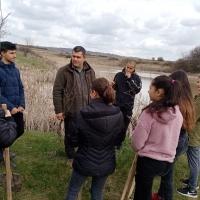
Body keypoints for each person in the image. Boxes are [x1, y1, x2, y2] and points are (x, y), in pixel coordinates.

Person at [65, 77, 125, 200]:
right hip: (106, 161)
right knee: (97, 193)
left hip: (84, 161)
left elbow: (72, 141)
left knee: (73, 191)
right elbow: (119, 139)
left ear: (94, 92)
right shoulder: (118, 114)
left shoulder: (82, 114)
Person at [131, 75, 184, 200]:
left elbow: (136, 143)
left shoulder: (149, 113)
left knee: (142, 195)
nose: (148, 91)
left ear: (159, 92)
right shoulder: (178, 113)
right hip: (167, 162)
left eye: (150, 88)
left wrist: (138, 147)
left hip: (149, 162)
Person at [152, 70, 195, 200]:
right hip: (182, 140)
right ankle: (161, 195)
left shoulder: (177, 102)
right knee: (167, 172)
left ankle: (164, 197)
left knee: (167, 175)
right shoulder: (188, 99)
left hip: (176, 141)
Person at [53, 46, 95, 162]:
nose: (75, 59)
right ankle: (71, 156)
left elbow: (94, 91)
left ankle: (82, 154)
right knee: (70, 134)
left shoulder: (90, 71)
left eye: (78, 57)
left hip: (87, 111)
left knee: (85, 134)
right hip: (71, 110)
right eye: (73, 56)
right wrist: (59, 110)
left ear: (84, 58)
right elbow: (57, 91)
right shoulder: (64, 71)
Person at [0, 41, 25, 168]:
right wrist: (10, 107)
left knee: (19, 129)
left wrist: (21, 104)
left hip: (17, 108)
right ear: (2, 53)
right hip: (3, 110)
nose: (14, 56)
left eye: (15, 53)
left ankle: (3, 149)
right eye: (11, 53)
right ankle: (3, 153)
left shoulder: (15, 70)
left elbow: (21, 88)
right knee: (4, 133)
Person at [176, 76, 200, 198]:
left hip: (194, 136)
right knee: (196, 159)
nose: (198, 84)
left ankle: (192, 190)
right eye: (198, 81)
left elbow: (192, 118)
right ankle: (193, 182)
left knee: (194, 161)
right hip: (196, 135)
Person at [111, 59, 142, 144]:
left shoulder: (136, 78)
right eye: (127, 67)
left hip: (128, 106)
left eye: (130, 68)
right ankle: (111, 141)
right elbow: (115, 89)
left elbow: (136, 90)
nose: (128, 69)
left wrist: (129, 79)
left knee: (124, 126)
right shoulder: (119, 75)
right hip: (116, 104)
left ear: (134, 69)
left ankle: (119, 143)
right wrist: (112, 86)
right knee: (113, 124)